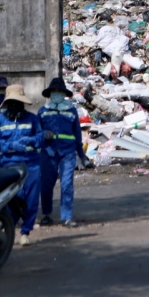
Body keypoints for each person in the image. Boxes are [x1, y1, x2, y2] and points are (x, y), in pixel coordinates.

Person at [0, 84, 44, 246]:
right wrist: (11, 145)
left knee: (32, 198)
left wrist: (32, 141)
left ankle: (25, 231)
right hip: (10, 165)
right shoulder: (0, 120)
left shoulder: (33, 119)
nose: (14, 105)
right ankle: (9, 228)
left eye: (17, 102)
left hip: (31, 163)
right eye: (11, 102)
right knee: (14, 198)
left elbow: (40, 138)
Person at [37, 78, 89, 229]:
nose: (57, 95)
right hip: (48, 153)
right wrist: (43, 135)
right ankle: (46, 214)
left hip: (67, 153)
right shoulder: (43, 111)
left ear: (64, 94)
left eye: (60, 92)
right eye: (55, 92)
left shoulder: (71, 111)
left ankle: (67, 217)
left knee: (67, 185)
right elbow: (37, 132)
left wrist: (81, 154)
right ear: (50, 94)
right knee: (46, 185)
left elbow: (77, 134)